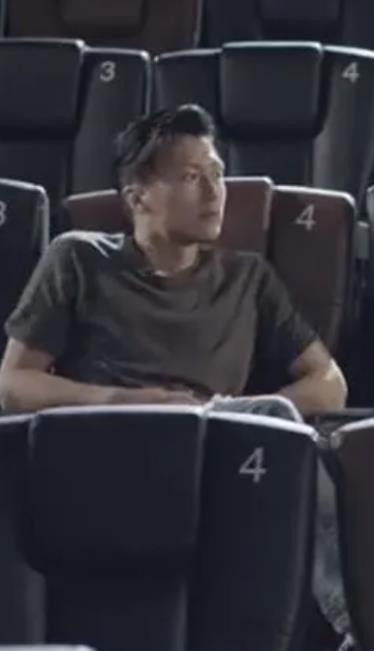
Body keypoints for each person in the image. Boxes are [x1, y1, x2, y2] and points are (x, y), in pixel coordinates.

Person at [0, 104, 354, 649]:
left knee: (289, 430)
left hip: (216, 450)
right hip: (105, 446)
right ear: (137, 197)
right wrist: (123, 400)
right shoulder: (78, 259)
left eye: (217, 174)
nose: (214, 192)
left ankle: (358, 626)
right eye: (191, 177)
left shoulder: (248, 277)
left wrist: (229, 416)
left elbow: (329, 383)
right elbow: (13, 385)